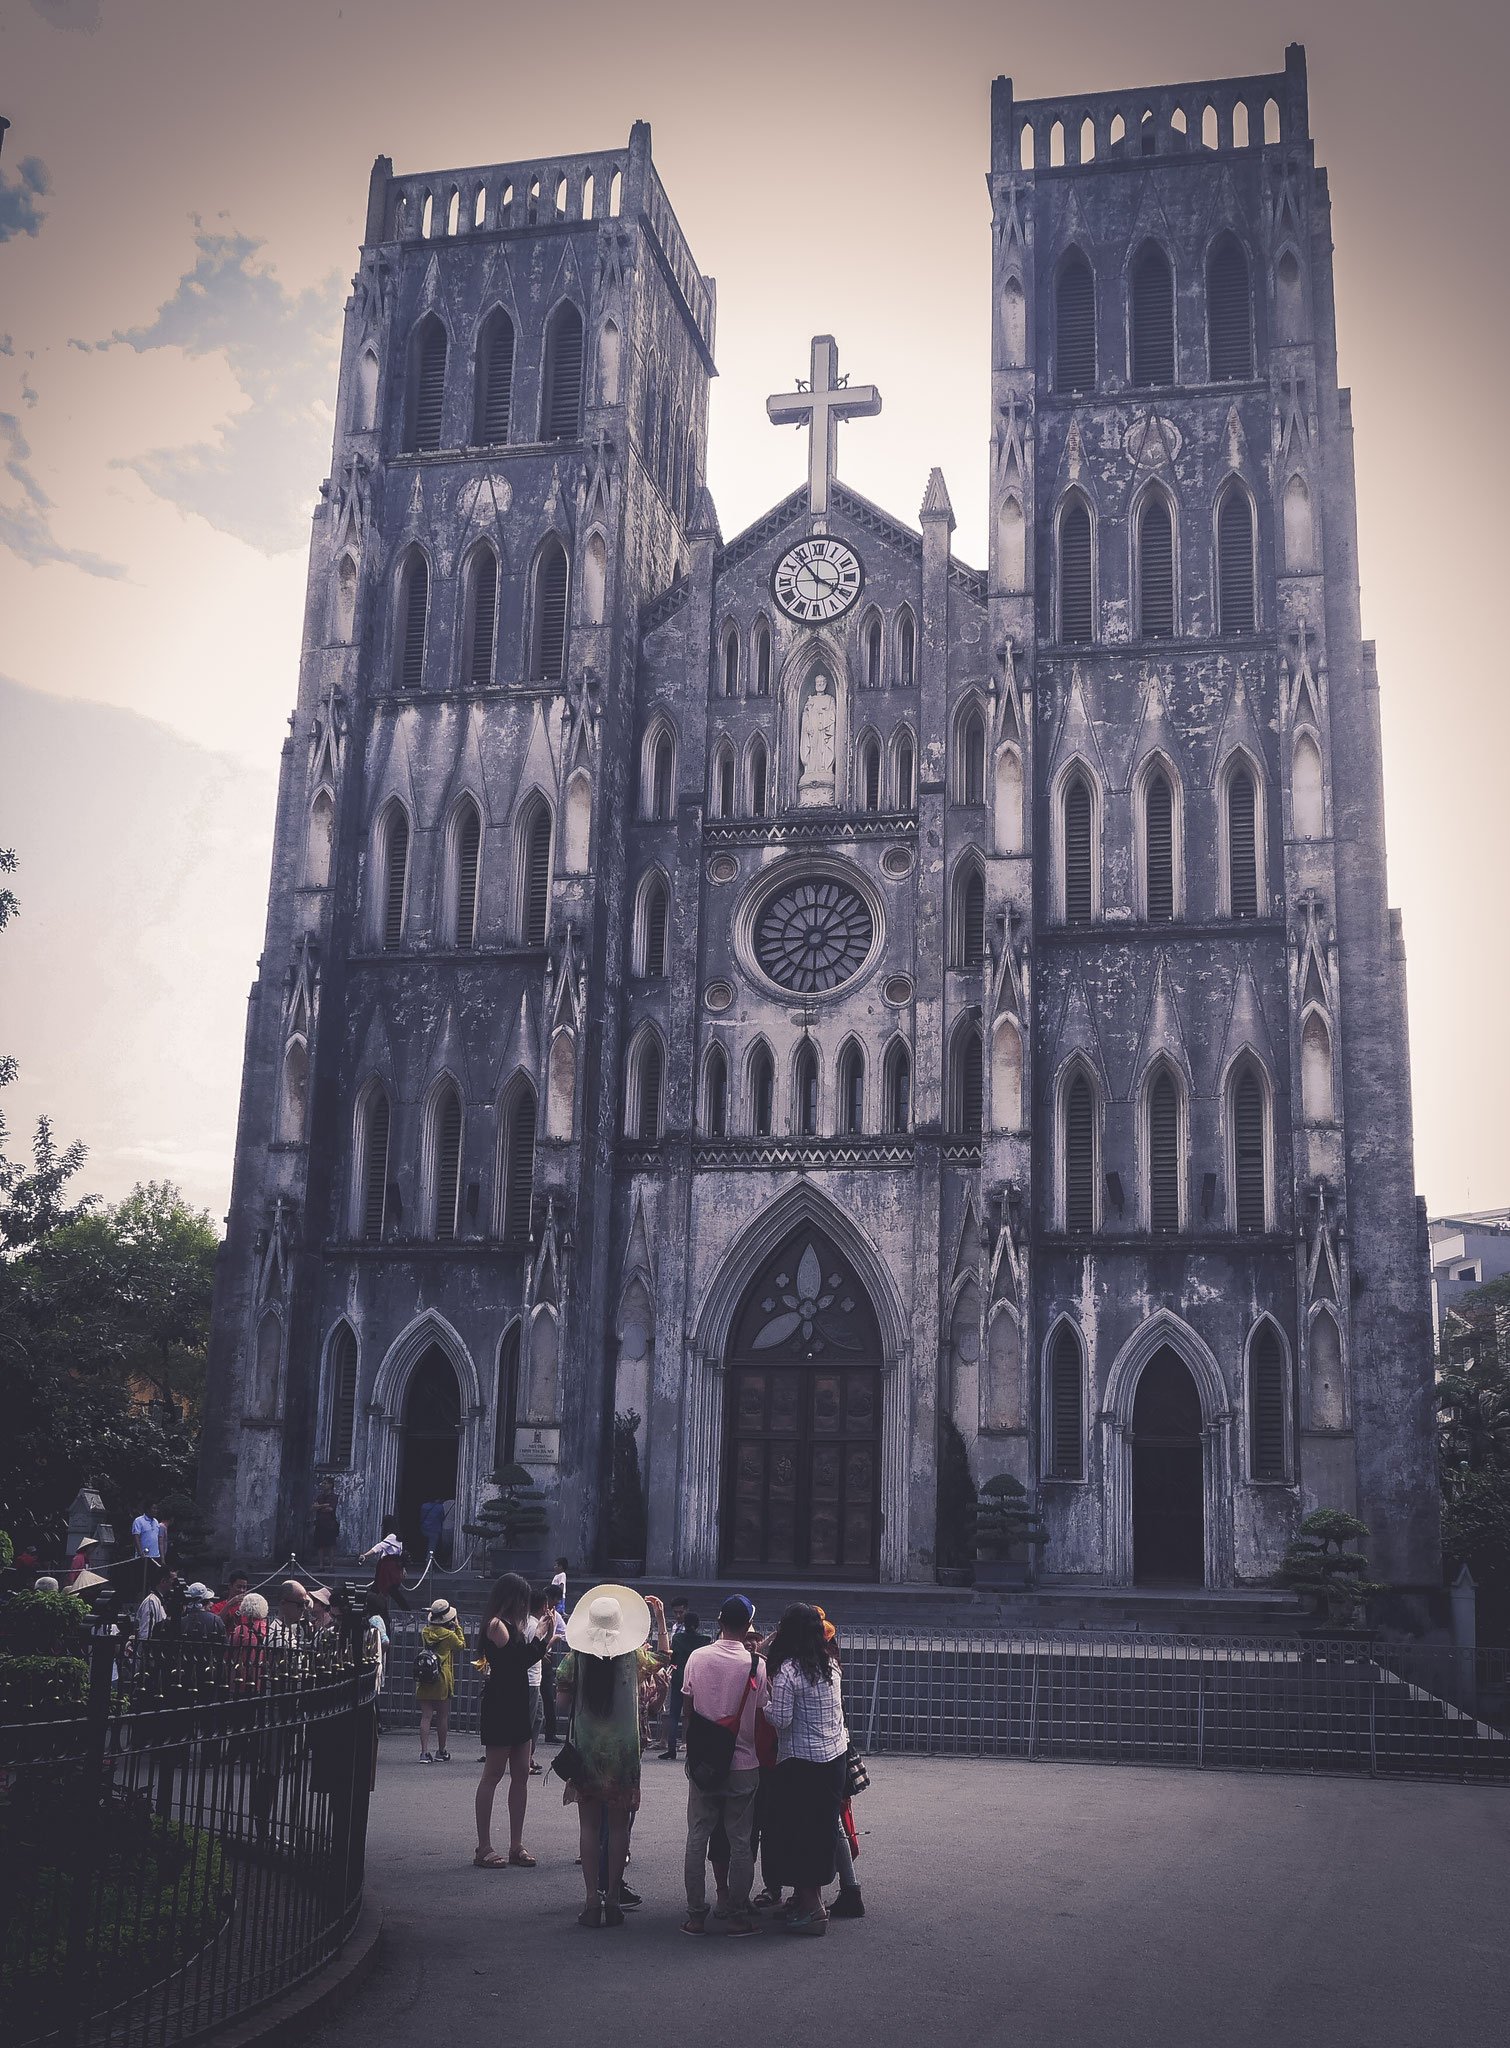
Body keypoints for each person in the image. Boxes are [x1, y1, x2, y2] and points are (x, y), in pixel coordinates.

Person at [553, 1586, 670, 1928]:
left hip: (587, 1753)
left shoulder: (574, 1660)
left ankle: (592, 1902)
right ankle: (615, 1901)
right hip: (623, 1755)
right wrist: (660, 1619)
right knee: (619, 1828)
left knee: (588, 1827)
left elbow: (561, 1706)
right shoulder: (633, 1659)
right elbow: (663, 1660)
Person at [678, 1594, 765, 1937]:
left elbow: (687, 1706)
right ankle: (736, 1915)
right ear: (748, 1627)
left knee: (698, 1834)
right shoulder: (756, 1664)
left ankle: (696, 1913)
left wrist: (692, 1747)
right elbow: (760, 1711)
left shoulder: (698, 1657)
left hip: (704, 1761)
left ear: (718, 1621)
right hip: (743, 1760)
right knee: (740, 1840)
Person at [761, 1603, 849, 1936]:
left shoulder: (787, 1673)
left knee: (799, 1835)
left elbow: (781, 1719)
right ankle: (808, 1901)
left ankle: (813, 1909)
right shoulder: (831, 1666)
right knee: (822, 1831)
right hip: (833, 1758)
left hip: (799, 1763)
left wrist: (764, 1705)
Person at [474, 1572, 549, 1868]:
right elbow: (518, 1659)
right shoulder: (496, 1625)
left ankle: (516, 1843)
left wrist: (541, 1637)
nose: (525, 1605)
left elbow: (524, 1657)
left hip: (517, 1702)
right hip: (501, 1704)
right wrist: (541, 1637)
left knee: (521, 1773)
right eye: (523, 1599)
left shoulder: (514, 1626)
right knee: (492, 1774)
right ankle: (483, 1846)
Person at [812, 1606, 864, 1919]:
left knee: (828, 1823)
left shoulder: (813, 1667)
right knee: (836, 1821)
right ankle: (849, 1888)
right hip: (838, 1749)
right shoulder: (832, 1665)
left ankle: (822, 1890)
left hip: (821, 1754)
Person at [418, 1597, 466, 1763]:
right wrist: (457, 1627)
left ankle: (424, 1752)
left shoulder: (425, 1632)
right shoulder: (449, 1636)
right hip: (442, 1677)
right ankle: (441, 1750)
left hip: (426, 1676)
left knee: (426, 1717)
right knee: (443, 1716)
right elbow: (461, 1645)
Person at [660, 1606, 710, 1761]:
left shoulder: (677, 1639)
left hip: (679, 1676)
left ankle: (671, 1748)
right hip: (696, 1678)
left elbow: (673, 1660)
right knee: (694, 1714)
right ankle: (692, 1748)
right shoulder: (704, 1640)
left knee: (674, 1714)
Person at [359, 1516, 410, 1610]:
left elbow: (379, 1547)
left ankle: (408, 1613)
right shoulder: (397, 1538)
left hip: (387, 1567)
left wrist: (365, 1554)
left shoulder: (392, 1537)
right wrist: (403, 1567)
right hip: (391, 1565)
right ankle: (371, 1610)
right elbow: (401, 1554)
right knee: (378, 1589)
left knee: (390, 1590)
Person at [136, 1561, 168, 1643]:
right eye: (173, 1580)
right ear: (163, 1581)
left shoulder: (159, 1600)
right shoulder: (151, 1602)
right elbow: (145, 1633)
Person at [312, 1481, 339, 1571]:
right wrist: (323, 1505)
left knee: (331, 1545)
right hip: (320, 1523)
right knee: (320, 1545)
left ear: (330, 1485)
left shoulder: (333, 1497)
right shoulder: (320, 1496)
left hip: (330, 1524)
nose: (323, 1485)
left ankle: (331, 1566)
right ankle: (321, 1566)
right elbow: (313, 1507)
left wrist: (319, 1507)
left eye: (325, 1483)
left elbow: (330, 1509)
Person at [132, 1501, 168, 1566]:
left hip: (155, 1556)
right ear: (147, 1509)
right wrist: (140, 1553)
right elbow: (136, 1537)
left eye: (156, 1509)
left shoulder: (156, 1522)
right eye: (154, 1508)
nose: (156, 1511)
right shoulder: (138, 1521)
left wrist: (162, 1559)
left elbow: (159, 1541)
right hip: (143, 1557)